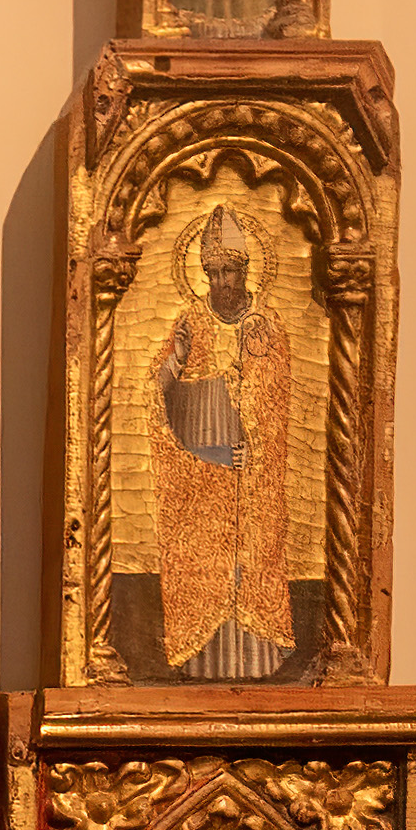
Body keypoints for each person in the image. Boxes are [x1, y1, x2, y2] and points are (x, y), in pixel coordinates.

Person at [144, 203, 301, 682]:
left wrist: (254, 445)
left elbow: (274, 405)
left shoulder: (267, 325)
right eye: (212, 273)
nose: (220, 282)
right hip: (202, 476)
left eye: (228, 271)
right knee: (204, 559)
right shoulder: (190, 321)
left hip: (251, 476)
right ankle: (201, 663)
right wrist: (178, 358)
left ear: (245, 269)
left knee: (250, 562)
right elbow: (157, 394)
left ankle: (257, 661)